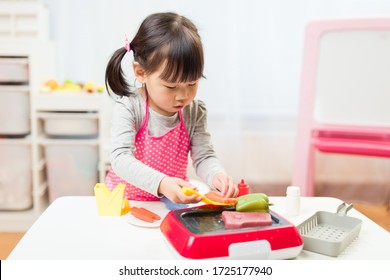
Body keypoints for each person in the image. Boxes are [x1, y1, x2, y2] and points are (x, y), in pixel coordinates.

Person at [104, 12, 238, 204]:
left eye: (192, 83)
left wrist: (217, 175)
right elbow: (121, 159)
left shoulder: (194, 112)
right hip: (125, 202)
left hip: (170, 203)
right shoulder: (129, 107)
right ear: (141, 73)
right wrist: (162, 183)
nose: (183, 96)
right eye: (171, 86)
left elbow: (204, 156)